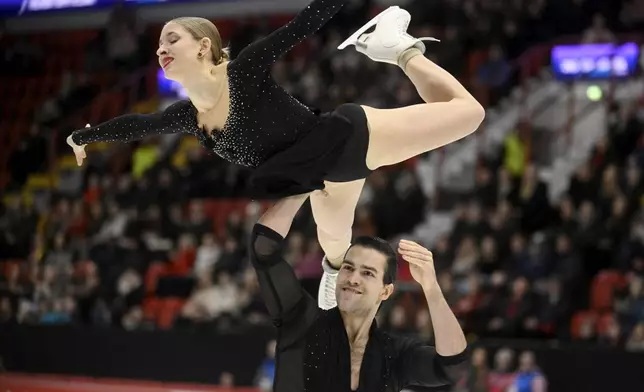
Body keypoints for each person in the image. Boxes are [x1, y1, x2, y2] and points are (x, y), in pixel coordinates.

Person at [67, 2, 485, 309]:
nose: (161, 47)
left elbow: (303, 23)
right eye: (158, 43)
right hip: (318, 179)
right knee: (336, 244)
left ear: (203, 46)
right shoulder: (188, 117)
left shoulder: (243, 71)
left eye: (171, 38)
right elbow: (139, 124)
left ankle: (398, 49)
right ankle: (333, 269)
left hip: (345, 139)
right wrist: (85, 137)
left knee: (470, 115)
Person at [248, 193, 468, 392]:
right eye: (348, 267)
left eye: (368, 273)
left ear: (386, 291)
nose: (353, 278)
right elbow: (263, 249)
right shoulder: (302, 321)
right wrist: (304, 186)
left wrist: (431, 288)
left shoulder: (393, 355)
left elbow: (452, 366)